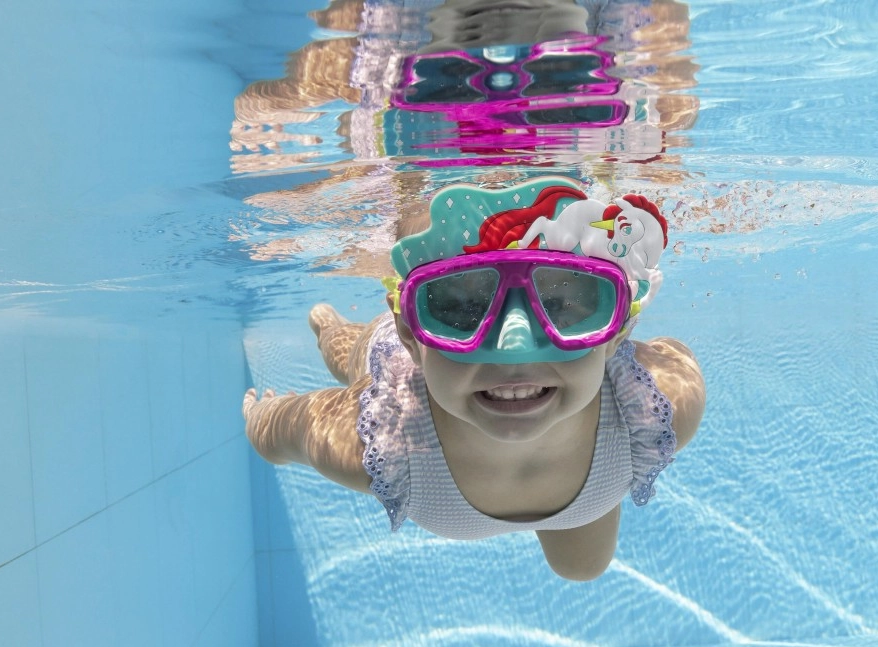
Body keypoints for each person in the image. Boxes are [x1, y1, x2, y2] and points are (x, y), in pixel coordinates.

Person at [243, 177, 705, 581]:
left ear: (617, 331)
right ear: (410, 334)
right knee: (347, 353)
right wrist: (260, 421)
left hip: (590, 490)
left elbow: (675, 359)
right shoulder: (376, 441)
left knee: (582, 568)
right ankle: (329, 327)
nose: (513, 348)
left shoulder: (653, 410)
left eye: (561, 306)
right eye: (460, 307)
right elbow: (289, 432)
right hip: (398, 378)